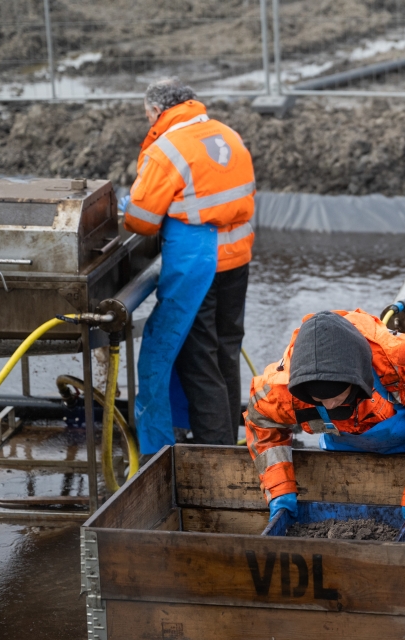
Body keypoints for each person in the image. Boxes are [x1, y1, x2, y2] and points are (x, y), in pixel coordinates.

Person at [243, 309, 405, 541]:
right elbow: (261, 423)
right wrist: (280, 489)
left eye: (338, 397)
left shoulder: (402, 360)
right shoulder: (279, 389)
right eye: (320, 401)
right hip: (346, 449)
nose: (331, 404)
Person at [123, 78, 255, 454]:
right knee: (226, 351)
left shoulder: (167, 150)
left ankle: (215, 455)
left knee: (199, 360)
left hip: (198, 266)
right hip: (238, 259)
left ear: (156, 111)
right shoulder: (228, 135)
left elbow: (141, 220)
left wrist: (129, 208)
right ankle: (228, 439)